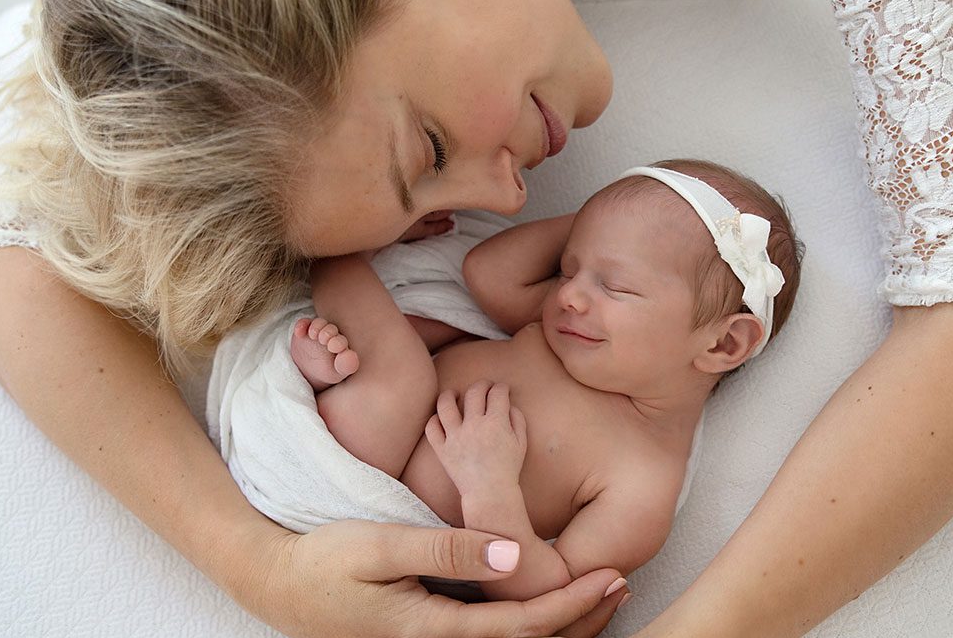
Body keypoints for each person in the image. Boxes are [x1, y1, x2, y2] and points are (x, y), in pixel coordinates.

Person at [0, 0, 953, 638]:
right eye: (426, 213)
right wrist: (256, 561)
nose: (501, 197)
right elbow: (0, 238)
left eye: (429, 140)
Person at [258, 160, 799, 602]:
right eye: (567, 268)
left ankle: (330, 252)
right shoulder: (563, 333)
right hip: (361, 424)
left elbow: (552, 590)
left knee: (402, 380)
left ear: (724, 344)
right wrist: (608, 222)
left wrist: (490, 489)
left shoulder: (643, 484)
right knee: (411, 347)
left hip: (370, 483)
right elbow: (486, 274)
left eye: (616, 285)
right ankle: (327, 367)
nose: (569, 294)